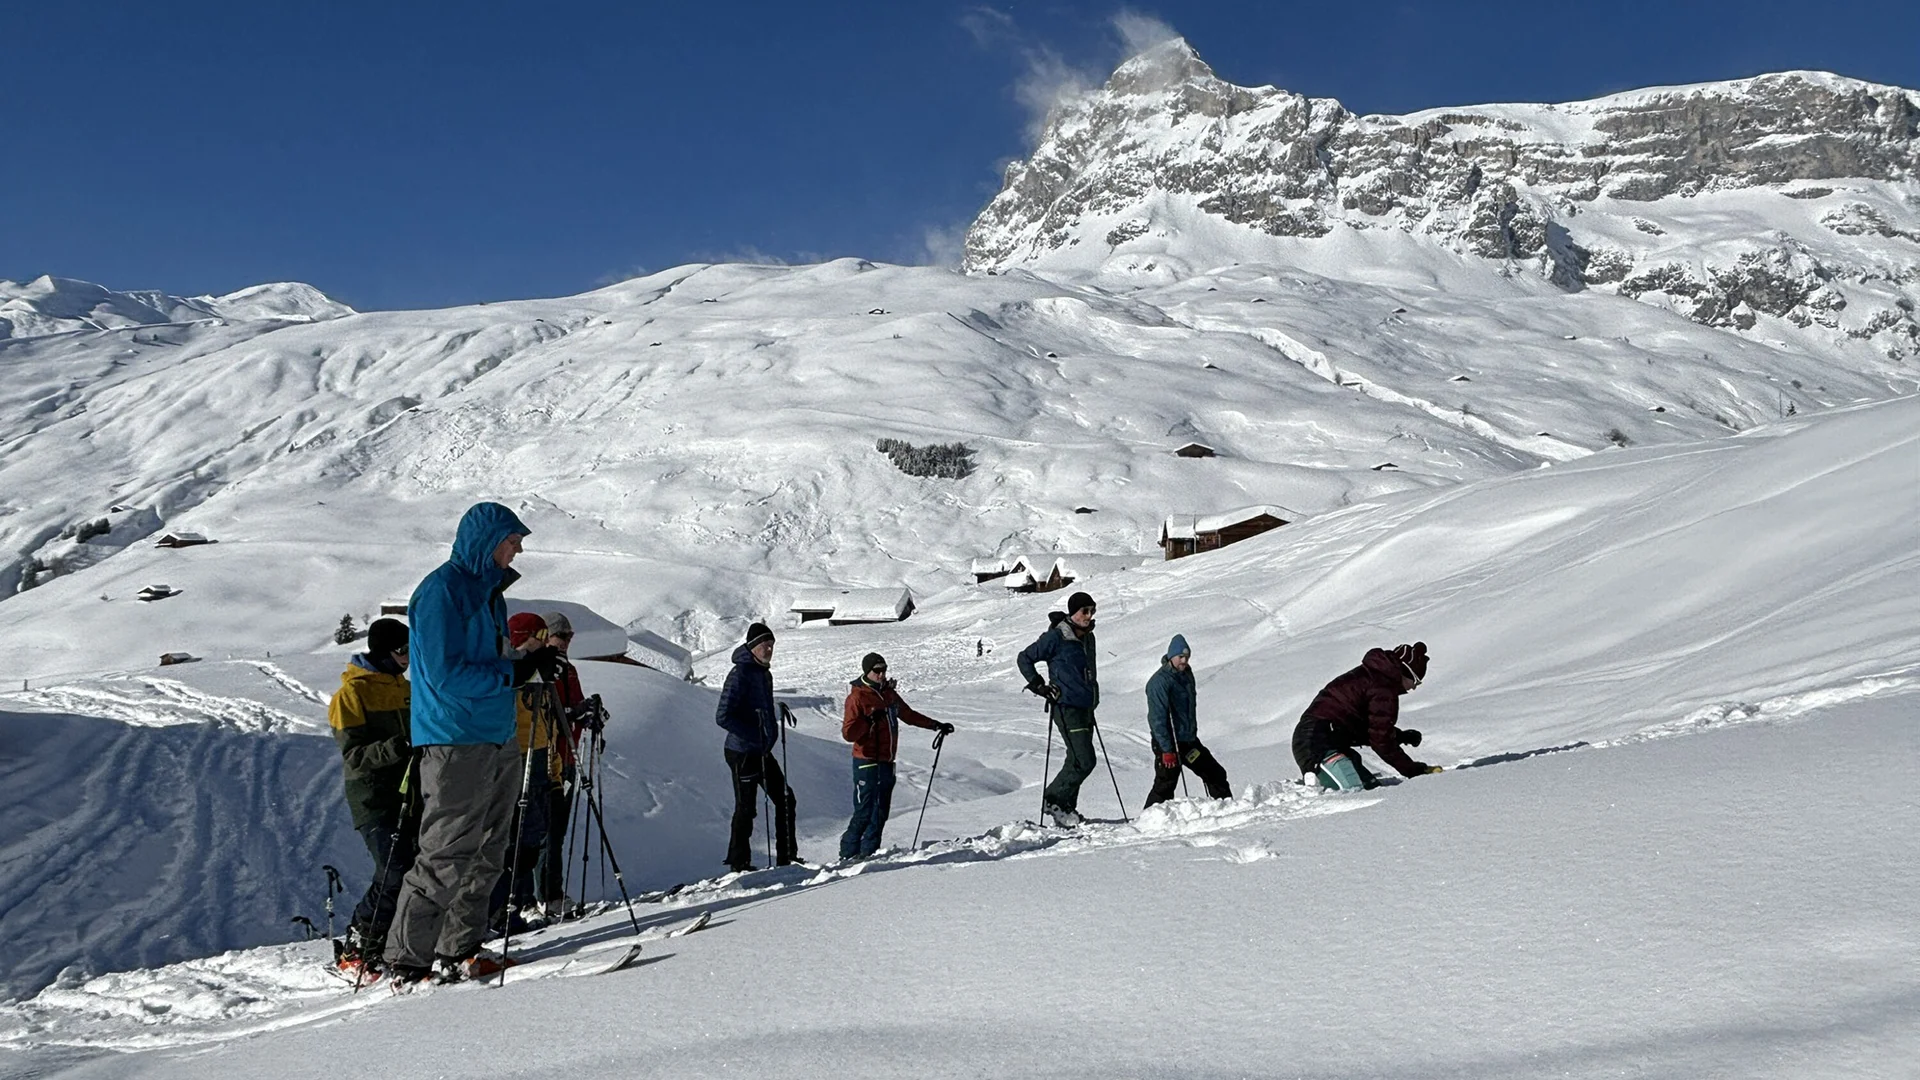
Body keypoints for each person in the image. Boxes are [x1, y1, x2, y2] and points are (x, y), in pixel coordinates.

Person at [384, 501, 557, 986]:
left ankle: (459, 946)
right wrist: (513, 670)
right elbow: (444, 674)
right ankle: (405, 960)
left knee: (488, 848)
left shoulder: (489, 596)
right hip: (454, 737)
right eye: (512, 541)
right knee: (445, 851)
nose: (518, 549)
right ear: (487, 542)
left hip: (495, 732)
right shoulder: (442, 592)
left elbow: (493, 662)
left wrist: (529, 661)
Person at [326, 617, 414, 977]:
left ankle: (395, 940)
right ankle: (360, 941)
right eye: (402, 651)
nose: (408, 658)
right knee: (393, 870)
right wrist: (400, 746)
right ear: (383, 651)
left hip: (411, 791)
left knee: (415, 868)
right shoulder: (351, 694)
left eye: (411, 650)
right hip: (373, 798)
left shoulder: (405, 687)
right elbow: (354, 757)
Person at [487, 613, 564, 936]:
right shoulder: (511, 666)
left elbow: (546, 718)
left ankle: (513, 905)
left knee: (531, 836)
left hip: (537, 753)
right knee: (515, 838)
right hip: (514, 753)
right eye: (538, 635)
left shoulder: (534, 667)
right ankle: (501, 909)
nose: (543, 642)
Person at [840, 652, 952, 860]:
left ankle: (869, 854)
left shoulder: (889, 694)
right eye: (877, 671)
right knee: (864, 812)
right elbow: (848, 733)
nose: (881, 675)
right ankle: (847, 855)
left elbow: (908, 714)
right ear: (867, 671)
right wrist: (869, 720)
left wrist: (936, 725)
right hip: (865, 760)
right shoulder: (857, 697)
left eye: (884, 670)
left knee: (880, 812)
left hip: (886, 760)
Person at [1291, 642, 1441, 790]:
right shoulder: (1382, 686)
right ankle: (1316, 779)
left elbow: (1369, 728)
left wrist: (1400, 736)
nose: (1414, 687)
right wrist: (1414, 771)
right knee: (1353, 793)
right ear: (1405, 672)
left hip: (1325, 739)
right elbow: (1381, 741)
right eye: (1416, 681)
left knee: (1371, 789)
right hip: (1316, 744)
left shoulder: (1374, 677)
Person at [715, 621, 797, 871]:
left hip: (760, 750)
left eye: (771, 645)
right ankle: (739, 863)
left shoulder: (764, 673)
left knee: (785, 798)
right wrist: (754, 734)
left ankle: (787, 858)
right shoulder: (740, 674)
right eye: (764, 645)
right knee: (747, 808)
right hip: (741, 751)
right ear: (752, 647)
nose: (769, 649)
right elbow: (723, 716)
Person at [1017, 591, 1102, 827]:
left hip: (1085, 706)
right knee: (1085, 761)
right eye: (1084, 611)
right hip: (1066, 707)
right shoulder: (1056, 637)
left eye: (1092, 610)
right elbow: (1024, 658)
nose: (1089, 615)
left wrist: (1093, 697)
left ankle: (1065, 810)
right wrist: (1039, 686)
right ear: (1072, 612)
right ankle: (1053, 800)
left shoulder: (1088, 637)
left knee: (1075, 759)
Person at [535, 611, 594, 918]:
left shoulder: (568, 671)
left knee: (557, 830)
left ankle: (552, 894)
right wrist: (573, 713)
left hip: (567, 757)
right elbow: (547, 715)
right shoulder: (541, 672)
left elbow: (573, 709)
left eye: (570, 636)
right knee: (545, 831)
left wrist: (587, 714)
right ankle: (544, 895)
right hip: (547, 758)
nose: (567, 642)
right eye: (563, 636)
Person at [1142, 634, 1232, 808]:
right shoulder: (1159, 682)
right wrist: (1167, 750)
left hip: (1188, 741)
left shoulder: (1186, 675)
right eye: (1180, 657)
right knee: (1165, 785)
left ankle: (1226, 809)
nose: (1184, 660)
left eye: (1187, 657)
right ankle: (1149, 821)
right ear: (1171, 656)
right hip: (1169, 743)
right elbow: (1157, 718)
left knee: (1215, 773)